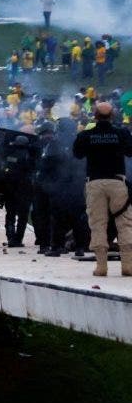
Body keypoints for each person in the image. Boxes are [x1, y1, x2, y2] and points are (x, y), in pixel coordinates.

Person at [72, 101, 132, 277]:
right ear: (112, 116)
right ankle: (127, 265)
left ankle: (101, 267)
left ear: (95, 116)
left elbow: (77, 154)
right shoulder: (121, 133)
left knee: (98, 224)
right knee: (125, 223)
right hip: (117, 182)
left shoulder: (86, 135)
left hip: (95, 183)